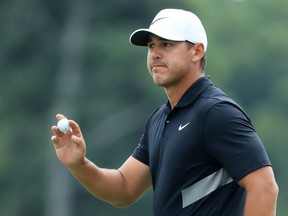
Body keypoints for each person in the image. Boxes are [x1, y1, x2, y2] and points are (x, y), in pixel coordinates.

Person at [51, 8, 278, 215]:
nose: (155, 53)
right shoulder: (160, 119)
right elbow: (124, 189)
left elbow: (265, 187)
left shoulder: (216, 112)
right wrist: (78, 165)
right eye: (151, 46)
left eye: (167, 44)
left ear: (197, 51)